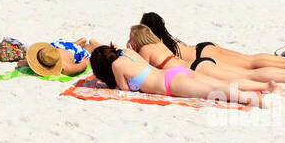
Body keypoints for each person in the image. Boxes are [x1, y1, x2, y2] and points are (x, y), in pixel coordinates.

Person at [127, 23, 285, 88]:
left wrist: (129, 50)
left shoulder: (144, 51)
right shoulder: (158, 43)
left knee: (247, 74)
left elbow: (140, 71)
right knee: (248, 65)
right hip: (201, 60)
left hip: (196, 66)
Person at [85, 43, 268, 106]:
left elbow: (124, 90)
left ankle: (252, 99)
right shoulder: (127, 53)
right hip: (174, 72)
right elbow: (119, 51)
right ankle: (265, 86)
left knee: (214, 90)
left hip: (169, 84)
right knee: (216, 83)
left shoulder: (117, 66)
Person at [140, 12, 285, 68]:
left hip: (203, 55)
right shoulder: (168, 36)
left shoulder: (155, 43)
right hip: (203, 47)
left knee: (249, 64)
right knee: (249, 59)